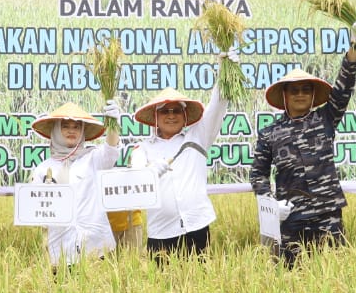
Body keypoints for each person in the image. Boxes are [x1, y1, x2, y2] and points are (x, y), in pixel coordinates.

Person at [250, 23, 356, 266]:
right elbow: (258, 174)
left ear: (313, 95)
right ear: (285, 96)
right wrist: (270, 202)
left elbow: (344, 88)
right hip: (291, 214)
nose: (300, 95)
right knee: (292, 273)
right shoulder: (270, 133)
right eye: (294, 91)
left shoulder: (325, 118)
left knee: (335, 271)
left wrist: (354, 47)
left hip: (328, 212)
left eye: (305, 90)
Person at [129, 53, 234, 260]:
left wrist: (225, 67)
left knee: (200, 286)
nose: (171, 115)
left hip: (197, 227)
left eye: (176, 111)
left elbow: (218, 105)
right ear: (155, 117)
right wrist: (149, 173)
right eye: (165, 111)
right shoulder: (142, 149)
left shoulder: (198, 137)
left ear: (185, 116)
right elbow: (136, 178)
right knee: (162, 289)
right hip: (161, 234)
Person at [29, 99, 123, 267]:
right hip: (59, 251)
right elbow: (36, 212)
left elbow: (111, 150)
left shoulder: (93, 158)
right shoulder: (43, 169)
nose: (71, 131)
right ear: (56, 130)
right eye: (65, 126)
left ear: (83, 131)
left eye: (77, 127)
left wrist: (114, 123)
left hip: (96, 248)